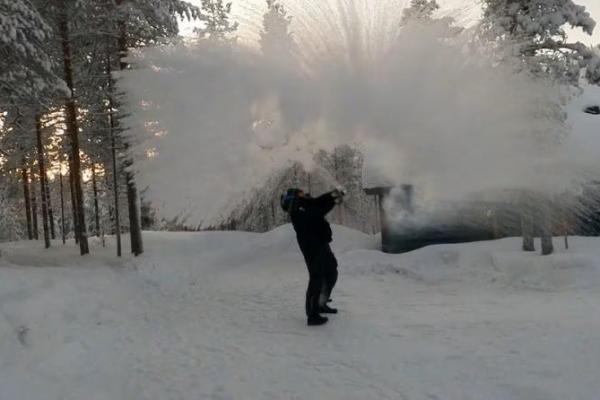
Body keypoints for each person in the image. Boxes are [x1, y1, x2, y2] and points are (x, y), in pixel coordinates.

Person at [281, 188, 345, 326]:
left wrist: (333, 194)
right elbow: (317, 211)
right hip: (311, 245)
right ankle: (312, 314)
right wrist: (333, 200)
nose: (304, 193)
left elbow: (318, 203)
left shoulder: (307, 203)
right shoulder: (297, 209)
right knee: (317, 276)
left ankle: (321, 303)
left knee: (331, 271)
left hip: (321, 242)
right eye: (300, 192)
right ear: (295, 196)